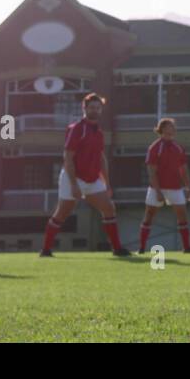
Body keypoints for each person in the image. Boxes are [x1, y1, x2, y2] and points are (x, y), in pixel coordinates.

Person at [40, 93, 129, 257]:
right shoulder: (76, 129)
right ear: (84, 108)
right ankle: (45, 249)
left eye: (98, 108)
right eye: (91, 107)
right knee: (62, 213)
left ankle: (117, 249)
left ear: (101, 110)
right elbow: (68, 157)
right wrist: (74, 184)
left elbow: (101, 158)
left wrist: (107, 183)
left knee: (109, 208)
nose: (95, 110)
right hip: (72, 177)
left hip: (93, 179)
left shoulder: (99, 132)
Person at [139, 118, 190, 254]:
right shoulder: (155, 147)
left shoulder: (178, 147)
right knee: (149, 216)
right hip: (157, 188)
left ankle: (187, 247)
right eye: (170, 126)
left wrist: (188, 188)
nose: (173, 128)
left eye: (173, 126)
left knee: (182, 215)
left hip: (175, 188)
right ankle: (141, 248)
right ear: (162, 129)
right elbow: (151, 171)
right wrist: (158, 192)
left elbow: (183, 169)